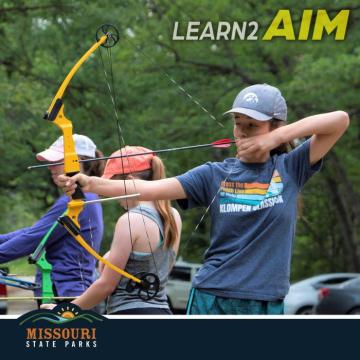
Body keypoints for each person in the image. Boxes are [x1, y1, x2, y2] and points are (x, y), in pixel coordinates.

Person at [57, 84, 350, 315]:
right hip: (212, 297)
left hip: (265, 300)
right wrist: (89, 182)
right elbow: (147, 190)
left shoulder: (290, 168)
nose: (242, 132)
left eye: (252, 125)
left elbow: (339, 120)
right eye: (238, 123)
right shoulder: (213, 174)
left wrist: (274, 140)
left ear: (275, 127)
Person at [42, 146, 182, 314]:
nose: (112, 196)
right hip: (163, 312)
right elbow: (163, 268)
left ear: (129, 181)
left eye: (113, 185)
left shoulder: (130, 220)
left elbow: (106, 286)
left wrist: (66, 309)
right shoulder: (173, 216)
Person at [0, 134, 105, 307]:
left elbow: (32, 239)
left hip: (66, 295)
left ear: (76, 161)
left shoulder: (76, 201)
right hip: (68, 292)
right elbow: (31, 232)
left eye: (56, 161)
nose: (50, 168)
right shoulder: (83, 198)